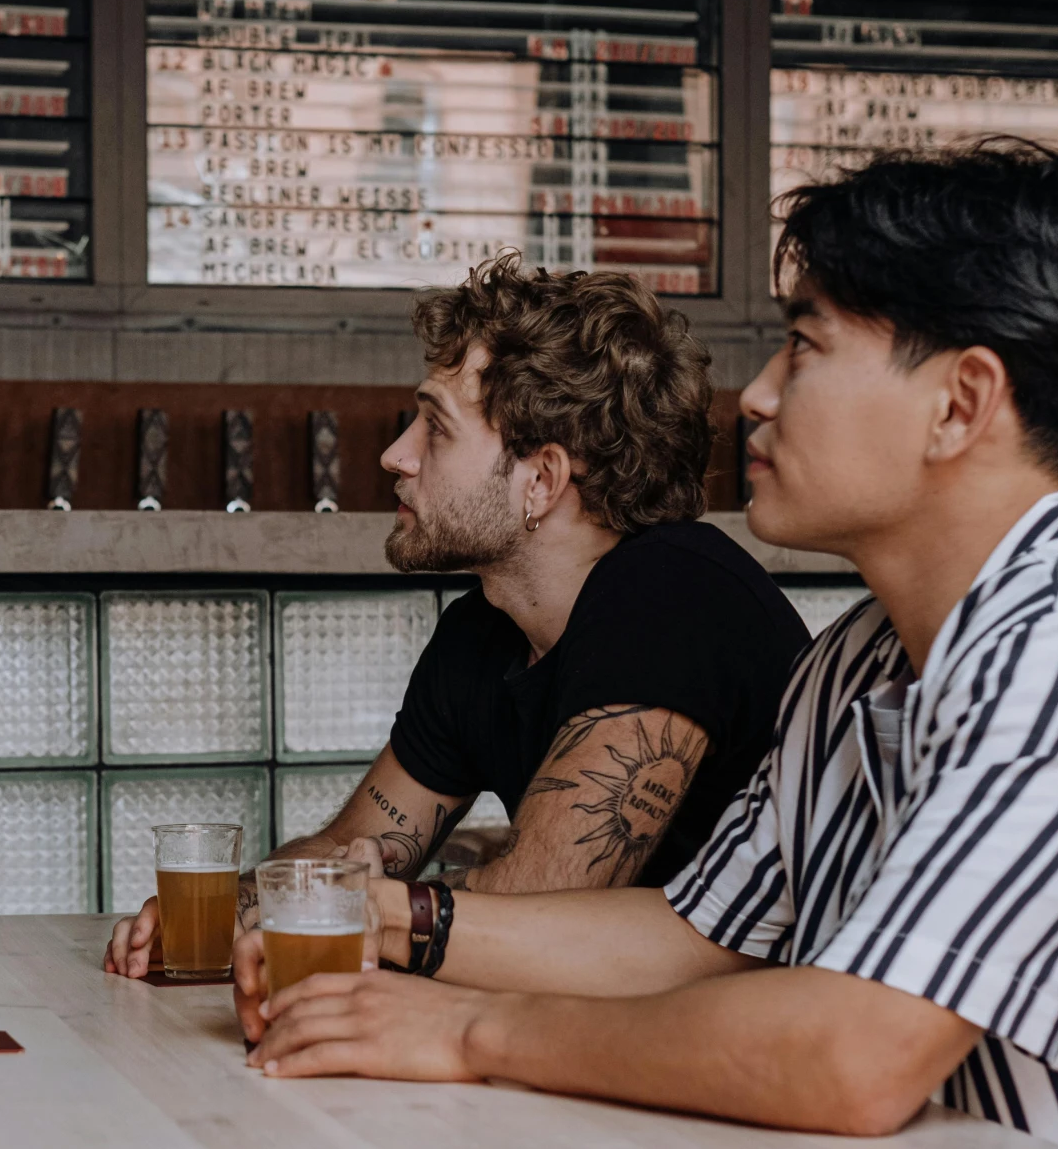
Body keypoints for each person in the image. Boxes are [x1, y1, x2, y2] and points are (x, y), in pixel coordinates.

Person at [247, 143, 1058, 1149]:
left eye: (802, 348)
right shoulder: (859, 656)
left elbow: (853, 1056)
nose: (751, 397)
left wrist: (465, 1032)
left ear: (959, 405)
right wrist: (399, 921)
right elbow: (692, 938)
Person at [107, 255, 811, 976]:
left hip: (762, 1047)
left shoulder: (672, 594)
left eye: (435, 428)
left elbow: (540, 906)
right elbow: (353, 846)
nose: (394, 455)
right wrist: (237, 908)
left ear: (541, 479)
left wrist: (366, 908)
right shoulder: (484, 630)